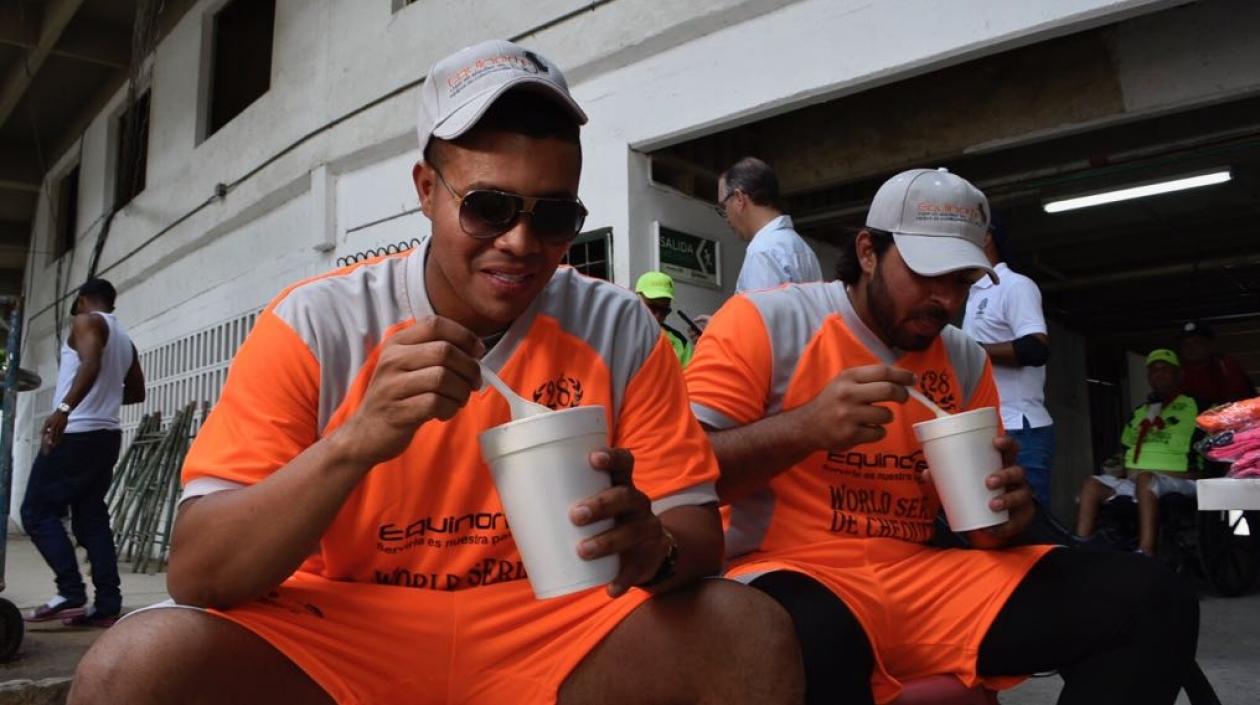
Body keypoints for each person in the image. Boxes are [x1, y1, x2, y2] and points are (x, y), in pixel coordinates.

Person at [68, 41, 802, 705]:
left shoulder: (616, 327)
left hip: (554, 625)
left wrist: (653, 547)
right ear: (426, 189)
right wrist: (355, 439)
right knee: (131, 667)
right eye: (488, 207)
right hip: (341, 625)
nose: (520, 242)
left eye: (552, 217)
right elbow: (198, 573)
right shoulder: (317, 323)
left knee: (750, 631)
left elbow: (696, 532)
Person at [686, 167, 1199, 705]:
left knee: (1152, 597)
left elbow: (981, 532)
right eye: (926, 274)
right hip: (790, 571)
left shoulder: (962, 357)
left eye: (961, 280)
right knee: (813, 640)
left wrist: (1006, 514)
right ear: (867, 251)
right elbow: (679, 474)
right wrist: (804, 427)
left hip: (923, 577)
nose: (945, 299)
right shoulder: (766, 322)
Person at [21, 277, 145, 627]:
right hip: (106, 436)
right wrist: (102, 398)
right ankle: (107, 605)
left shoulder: (86, 321)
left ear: (82, 300)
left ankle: (70, 593)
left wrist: (64, 409)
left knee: (35, 511)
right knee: (91, 518)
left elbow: (89, 364)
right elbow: (136, 391)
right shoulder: (125, 340)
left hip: (77, 434)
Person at [962, 219, 1054, 507]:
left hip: (1020, 428)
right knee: (994, 522)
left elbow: (1035, 349)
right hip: (987, 429)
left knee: (1030, 527)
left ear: (986, 238)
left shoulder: (1015, 285)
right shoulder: (973, 294)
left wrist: (969, 351)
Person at [1076, 349, 1201, 557]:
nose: (1158, 374)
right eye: (1153, 370)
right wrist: (1117, 467)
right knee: (1091, 484)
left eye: (1164, 369)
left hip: (1181, 480)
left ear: (1179, 375)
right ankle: (1080, 549)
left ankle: (1146, 551)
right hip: (1136, 481)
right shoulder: (1141, 412)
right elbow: (1125, 448)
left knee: (1145, 478)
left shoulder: (1197, 406)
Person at [717, 157, 822, 293]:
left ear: (739, 199)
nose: (726, 218)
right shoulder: (805, 251)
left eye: (723, 207)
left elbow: (761, 313)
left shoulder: (762, 252)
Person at [1177, 320, 1255, 408]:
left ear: (1209, 344)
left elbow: (1244, 399)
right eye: (1185, 344)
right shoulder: (1177, 373)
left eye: (1197, 342)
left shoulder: (1226, 365)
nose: (1191, 348)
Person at [634, 271, 693, 367]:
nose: (658, 316)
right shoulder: (617, 333)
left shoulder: (680, 343)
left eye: (664, 311)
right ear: (636, 299)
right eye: (652, 307)